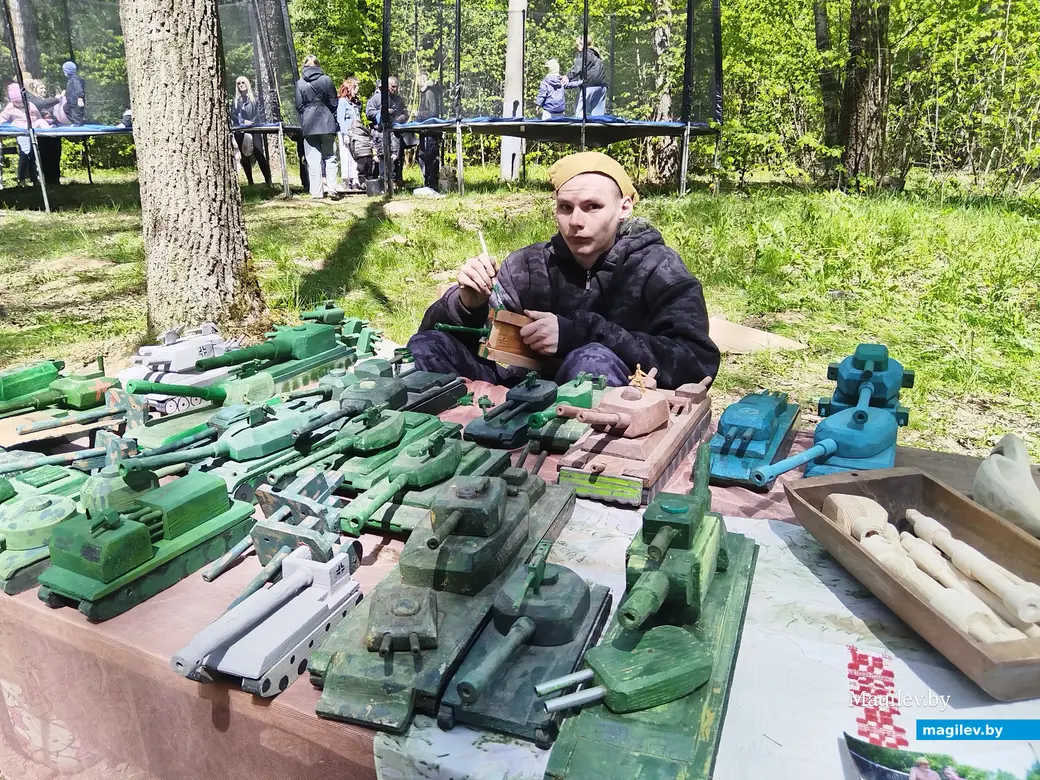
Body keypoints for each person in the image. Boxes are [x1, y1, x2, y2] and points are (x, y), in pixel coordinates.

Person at [408, 151, 719, 389]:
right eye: (565, 208)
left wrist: (577, 334)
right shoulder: (527, 266)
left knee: (591, 362)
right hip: (516, 400)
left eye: (592, 206)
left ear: (624, 207)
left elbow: (696, 361)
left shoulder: (656, 269)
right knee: (426, 348)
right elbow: (440, 336)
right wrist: (464, 305)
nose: (576, 221)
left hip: (606, 414)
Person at [294, 54, 344, 199]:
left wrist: (309, 112)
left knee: (313, 160)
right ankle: (332, 189)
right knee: (329, 157)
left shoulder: (300, 83)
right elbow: (334, 102)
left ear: (304, 66)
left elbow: (299, 106)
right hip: (327, 122)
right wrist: (325, 110)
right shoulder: (326, 80)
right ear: (318, 65)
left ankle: (316, 193)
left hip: (309, 125)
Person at [0, 83, 50, 185]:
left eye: (20, 101)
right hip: (21, 131)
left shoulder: (30, 105)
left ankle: (34, 179)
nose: (19, 103)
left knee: (33, 155)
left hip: (33, 129)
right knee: (25, 154)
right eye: (16, 101)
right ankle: (21, 179)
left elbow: (38, 117)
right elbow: (2, 118)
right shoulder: (10, 107)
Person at [365, 76, 408, 187]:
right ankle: (384, 181)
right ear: (387, 85)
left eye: (396, 87)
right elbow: (369, 113)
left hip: (395, 132)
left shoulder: (398, 99)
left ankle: (396, 181)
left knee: (396, 157)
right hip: (380, 132)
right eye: (393, 86)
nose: (395, 89)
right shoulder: (376, 98)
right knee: (383, 157)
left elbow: (405, 113)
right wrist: (383, 112)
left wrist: (400, 118)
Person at [231, 76, 272, 187]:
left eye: (243, 82)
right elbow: (233, 116)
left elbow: (260, 114)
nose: (241, 85)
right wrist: (243, 121)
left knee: (259, 154)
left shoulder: (255, 99)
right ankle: (250, 182)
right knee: (244, 157)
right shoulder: (235, 102)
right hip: (240, 131)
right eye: (238, 83)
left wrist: (251, 122)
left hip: (255, 129)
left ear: (247, 84)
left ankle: (268, 181)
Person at [414, 71, 443, 197]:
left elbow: (432, 112)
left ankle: (432, 184)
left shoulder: (429, 92)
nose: (420, 82)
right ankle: (428, 183)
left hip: (430, 131)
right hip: (423, 130)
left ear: (425, 80)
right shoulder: (422, 93)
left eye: (422, 79)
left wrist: (418, 115)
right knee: (421, 156)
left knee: (430, 156)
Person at [562, 37, 608, 117]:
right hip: (602, 87)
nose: (577, 47)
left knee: (580, 113)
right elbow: (583, 72)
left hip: (589, 86)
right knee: (598, 116)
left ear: (582, 45)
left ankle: (578, 129)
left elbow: (577, 69)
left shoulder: (585, 54)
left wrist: (567, 77)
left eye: (577, 45)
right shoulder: (595, 55)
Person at [336, 77, 362, 189]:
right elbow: (341, 119)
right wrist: (345, 134)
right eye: (355, 87)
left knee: (355, 156)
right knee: (346, 156)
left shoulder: (354, 103)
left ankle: (355, 179)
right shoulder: (342, 102)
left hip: (356, 134)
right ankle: (346, 181)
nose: (357, 89)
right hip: (346, 133)